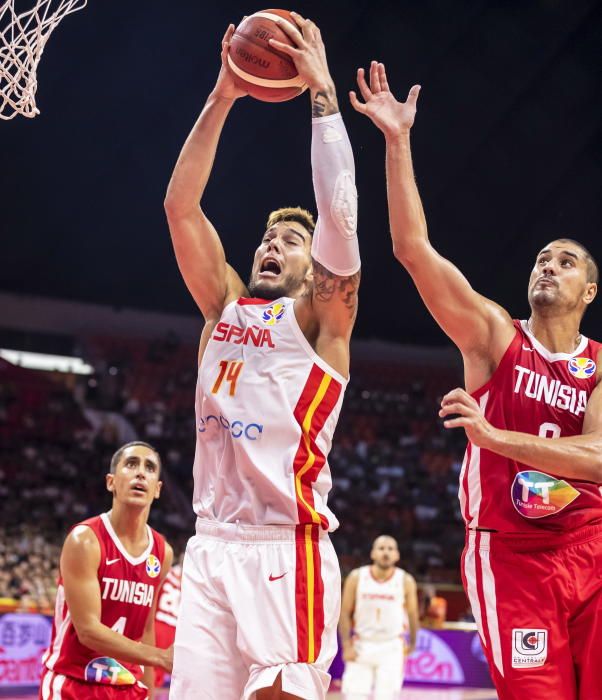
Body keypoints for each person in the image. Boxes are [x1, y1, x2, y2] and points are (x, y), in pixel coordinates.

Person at [351, 61, 602, 699]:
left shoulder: (600, 362)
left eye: (565, 261)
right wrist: (397, 141)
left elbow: (599, 458)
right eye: (541, 257)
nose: (548, 265)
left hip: (593, 550)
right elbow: (413, 248)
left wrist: (496, 439)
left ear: (589, 291)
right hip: (512, 556)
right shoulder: (493, 334)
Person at [164, 12, 360, 700]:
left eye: (289, 240)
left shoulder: (322, 321)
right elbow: (180, 208)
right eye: (267, 237)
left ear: (317, 268)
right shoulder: (223, 308)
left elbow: (338, 217)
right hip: (211, 544)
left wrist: (322, 94)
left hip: (288, 546)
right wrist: (223, 95)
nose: (271, 245)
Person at [40, 442, 173, 700]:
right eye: (131, 464)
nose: (140, 473)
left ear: (157, 489)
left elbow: (146, 628)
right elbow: (88, 631)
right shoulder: (85, 540)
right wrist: (160, 657)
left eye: (149, 468)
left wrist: (149, 690)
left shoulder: (162, 552)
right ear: (111, 482)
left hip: (128, 687)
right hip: (74, 683)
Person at [339, 536, 418, 700]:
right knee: (354, 696)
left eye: (390, 549)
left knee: (387, 696)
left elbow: (412, 614)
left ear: (397, 555)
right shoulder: (356, 577)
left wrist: (413, 642)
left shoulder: (405, 580)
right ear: (373, 553)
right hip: (361, 645)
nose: (386, 553)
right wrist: (346, 645)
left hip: (391, 646)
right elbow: (344, 612)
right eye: (381, 548)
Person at [153, 560, 182, 689]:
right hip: (174, 631)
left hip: (158, 623)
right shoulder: (191, 581)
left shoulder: (167, 573)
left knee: (150, 676)